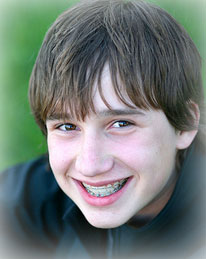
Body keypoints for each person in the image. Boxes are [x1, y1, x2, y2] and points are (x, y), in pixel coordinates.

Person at [0, 0, 205, 258]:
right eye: (67, 126)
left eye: (121, 124)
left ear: (185, 124)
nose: (90, 165)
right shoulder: (23, 205)